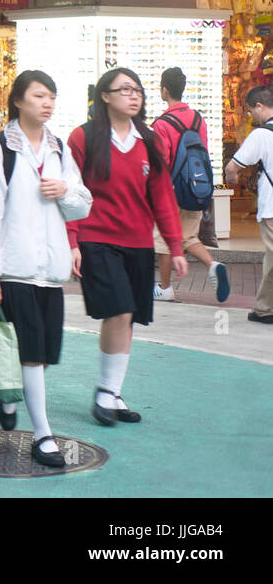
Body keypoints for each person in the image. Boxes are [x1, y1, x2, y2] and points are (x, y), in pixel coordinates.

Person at [0, 70, 91, 467]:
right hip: (14, 270)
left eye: (51, 96)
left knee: (41, 352)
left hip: (50, 271)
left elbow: (83, 203)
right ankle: (43, 435)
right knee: (33, 354)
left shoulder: (59, 149)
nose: (47, 103)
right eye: (39, 96)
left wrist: (65, 191)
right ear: (18, 100)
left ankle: (10, 397)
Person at [67, 67, 185, 427]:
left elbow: (162, 196)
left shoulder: (149, 140)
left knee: (128, 315)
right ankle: (105, 392)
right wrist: (72, 241)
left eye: (137, 91)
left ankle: (113, 393)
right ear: (105, 96)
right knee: (118, 310)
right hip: (96, 239)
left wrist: (176, 247)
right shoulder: (83, 138)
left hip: (137, 242)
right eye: (124, 90)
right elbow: (71, 192)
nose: (133, 96)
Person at [150, 68, 227, 303]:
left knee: (164, 238)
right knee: (189, 237)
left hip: (171, 190)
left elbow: (161, 162)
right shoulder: (198, 119)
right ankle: (213, 264)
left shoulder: (161, 124)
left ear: (164, 90)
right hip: (196, 186)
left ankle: (165, 287)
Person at [223, 86, 273, 324]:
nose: (252, 115)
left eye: (252, 110)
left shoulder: (261, 134)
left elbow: (232, 167)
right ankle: (264, 307)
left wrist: (232, 180)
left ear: (260, 107)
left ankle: (264, 309)